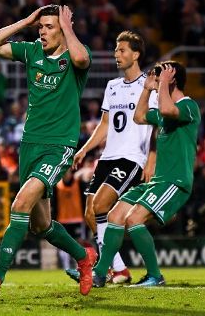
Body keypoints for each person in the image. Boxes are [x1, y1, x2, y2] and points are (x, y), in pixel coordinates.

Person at [0, 4, 96, 297]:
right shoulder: (31, 52)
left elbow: (81, 57)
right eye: (41, 27)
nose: (42, 32)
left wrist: (68, 28)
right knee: (41, 226)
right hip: (29, 146)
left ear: (63, 29)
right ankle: (83, 256)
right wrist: (24, 21)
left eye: (49, 27)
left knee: (19, 205)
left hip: (58, 146)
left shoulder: (74, 55)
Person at [92, 61, 200, 288]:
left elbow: (167, 110)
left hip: (175, 181)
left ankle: (155, 275)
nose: (155, 77)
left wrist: (162, 85)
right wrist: (147, 89)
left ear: (172, 79)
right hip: (158, 181)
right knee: (115, 216)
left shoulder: (188, 106)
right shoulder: (163, 110)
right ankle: (100, 274)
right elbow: (139, 116)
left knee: (133, 219)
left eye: (161, 75)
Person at [65, 31, 157, 285]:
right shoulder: (112, 86)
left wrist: (151, 158)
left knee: (102, 204)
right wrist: (85, 149)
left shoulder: (149, 86)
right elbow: (105, 125)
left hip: (131, 157)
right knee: (90, 214)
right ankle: (119, 270)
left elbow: (157, 125)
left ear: (136, 54)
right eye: (116, 50)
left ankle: (101, 270)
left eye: (122, 50)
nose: (117, 55)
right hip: (108, 157)